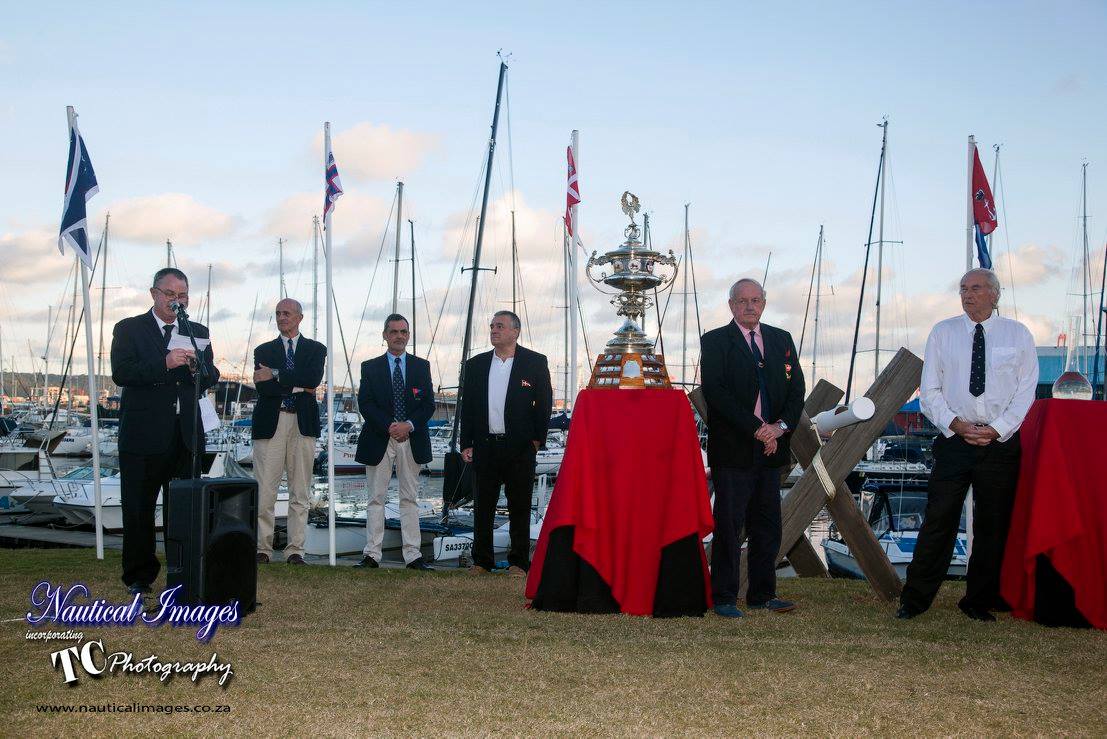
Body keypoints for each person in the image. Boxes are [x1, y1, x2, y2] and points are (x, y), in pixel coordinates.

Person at [898, 268, 1038, 622]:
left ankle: (978, 601)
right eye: (963, 288)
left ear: (995, 294)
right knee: (938, 520)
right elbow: (929, 391)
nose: (967, 294)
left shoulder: (1018, 335)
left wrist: (996, 429)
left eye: (975, 288)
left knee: (993, 525)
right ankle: (914, 601)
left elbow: (1026, 392)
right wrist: (957, 425)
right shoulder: (942, 333)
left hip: (1000, 445)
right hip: (954, 443)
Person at [699, 278, 805, 618]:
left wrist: (779, 428)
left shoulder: (781, 339)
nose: (749, 306)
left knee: (767, 525)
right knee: (729, 525)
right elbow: (716, 392)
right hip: (734, 449)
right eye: (742, 301)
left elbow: (796, 390)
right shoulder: (715, 341)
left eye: (755, 300)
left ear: (764, 303)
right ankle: (724, 597)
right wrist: (758, 429)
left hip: (772, 448)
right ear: (731, 305)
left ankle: (763, 594)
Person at [110, 267, 220, 595]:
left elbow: (211, 375)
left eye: (182, 295)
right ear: (154, 294)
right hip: (143, 435)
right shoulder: (129, 329)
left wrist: (197, 367)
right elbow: (122, 373)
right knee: (138, 509)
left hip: (185, 436)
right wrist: (166, 362)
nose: (177, 301)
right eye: (170, 294)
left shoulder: (197, 331)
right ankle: (139, 576)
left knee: (182, 511)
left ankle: (182, 572)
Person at [460, 311, 552, 577]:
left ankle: (519, 563)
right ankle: (482, 561)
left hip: (520, 447)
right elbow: (468, 407)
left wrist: (537, 440)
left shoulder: (534, 362)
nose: (494, 330)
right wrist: (467, 442)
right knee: (483, 507)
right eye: (492, 326)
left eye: (500, 326)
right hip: (485, 445)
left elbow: (544, 403)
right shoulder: (476, 365)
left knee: (519, 506)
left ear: (515, 331)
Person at [354, 314, 435, 570]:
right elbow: (365, 403)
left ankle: (413, 555)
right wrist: (390, 426)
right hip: (380, 438)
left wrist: (408, 425)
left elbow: (428, 404)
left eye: (403, 332)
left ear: (408, 335)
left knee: (409, 498)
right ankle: (372, 555)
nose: (399, 336)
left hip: (412, 438)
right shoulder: (370, 367)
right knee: (375, 499)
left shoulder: (421, 366)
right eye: (394, 332)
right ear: (385, 335)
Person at [252, 298, 325, 565]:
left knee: (300, 492)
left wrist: (276, 374)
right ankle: (262, 548)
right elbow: (264, 388)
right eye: (278, 313)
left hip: (302, 424)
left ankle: (295, 550)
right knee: (265, 492)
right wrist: (299, 385)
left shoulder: (316, 349)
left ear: (299, 318)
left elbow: (313, 379)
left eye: (286, 313)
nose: (281, 317)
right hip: (271, 425)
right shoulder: (263, 350)